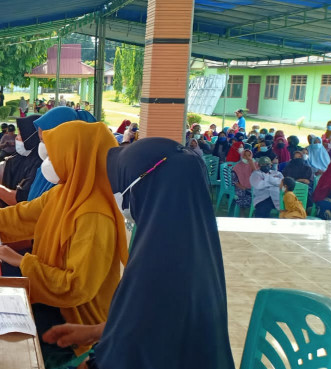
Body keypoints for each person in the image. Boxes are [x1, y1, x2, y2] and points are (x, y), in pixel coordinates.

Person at [0, 121, 127, 368]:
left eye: (55, 154)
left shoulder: (94, 216)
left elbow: (77, 288)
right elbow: (20, 216)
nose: (49, 161)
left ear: (77, 159)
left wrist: (22, 261)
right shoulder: (64, 193)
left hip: (72, 324)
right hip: (49, 296)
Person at [43, 137, 235, 369]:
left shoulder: (157, 263)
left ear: (144, 188)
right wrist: (98, 331)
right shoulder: (190, 245)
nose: (117, 193)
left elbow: (125, 358)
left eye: (121, 184)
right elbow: (151, 324)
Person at [27, 106, 81, 201]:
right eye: (40, 140)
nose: (42, 145)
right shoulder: (44, 171)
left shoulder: (77, 179)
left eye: (46, 140)